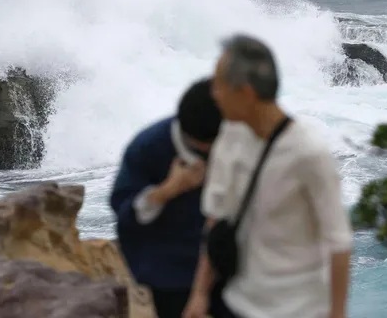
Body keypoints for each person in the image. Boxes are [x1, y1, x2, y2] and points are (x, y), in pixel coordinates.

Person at [183, 34, 354, 318]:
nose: (213, 94)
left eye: (220, 86)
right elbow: (216, 221)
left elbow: (339, 243)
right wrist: (199, 295)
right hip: (239, 305)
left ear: (246, 93)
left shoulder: (308, 152)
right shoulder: (229, 137)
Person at [109, 77, 230, 318]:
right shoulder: (149, 147)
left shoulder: (239, 138)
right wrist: (169, 189)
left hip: (230, 264)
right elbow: (126, 214)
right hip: (170, 271)